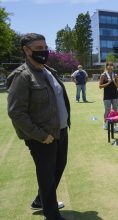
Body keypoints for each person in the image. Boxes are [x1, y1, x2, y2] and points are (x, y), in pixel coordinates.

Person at [7, 33, 70, 220]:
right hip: (41, 136)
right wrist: (41, 135)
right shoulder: (22, 76)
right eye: (38, 49)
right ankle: (51, 214)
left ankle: (39, 200)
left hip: (61, 130)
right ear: (26, 51)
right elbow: (16, 112)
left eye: (45, 48)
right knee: (46, 175)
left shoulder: (49, 71)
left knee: (59, 167)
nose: (43, 52)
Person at [99, 61, 118, 131]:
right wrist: (108, 83)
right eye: (109, 65)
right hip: (107, 95)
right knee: (107, 110)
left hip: (115, 95)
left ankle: (115, 125)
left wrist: (114, 81)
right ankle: (105, 124)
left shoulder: (115, 75)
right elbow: (100, 86)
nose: (110, 66)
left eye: (112, 65)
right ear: (106, 66)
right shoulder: (103, 75)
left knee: (115, 110)